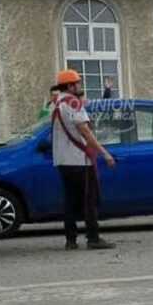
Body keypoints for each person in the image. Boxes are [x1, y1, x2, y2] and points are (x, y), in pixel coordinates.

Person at [50, 69, 116, 250]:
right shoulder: (74, 104)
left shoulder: (54, 104)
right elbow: (85, 131)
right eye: (77, 83)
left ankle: (70, 240)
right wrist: (104, 152)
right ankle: (93, 238)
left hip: (62, 160)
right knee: (90, 200)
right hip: (79, 160)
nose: (79, 86)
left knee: (70, 201)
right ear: (70, 86)